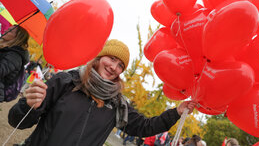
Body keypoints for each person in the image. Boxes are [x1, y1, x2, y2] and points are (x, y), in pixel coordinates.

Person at [8, 39, 196, 146]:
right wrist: (28, 105)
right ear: (99, 57)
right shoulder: (65, 81)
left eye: (120, 65)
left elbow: (144, 127)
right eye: (111, 59)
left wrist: (176, 112)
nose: (114, 67)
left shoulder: (117, 103)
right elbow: (16, 121)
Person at [0, 25, 29, 102]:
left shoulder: (15, 56)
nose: (6, 30)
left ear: (17, 37)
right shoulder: (5, 49)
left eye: (10, 30)